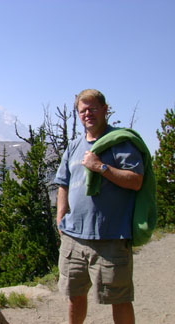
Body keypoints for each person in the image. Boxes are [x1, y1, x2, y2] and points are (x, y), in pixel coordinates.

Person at [54, 89, 145, 324]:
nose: (88, 114)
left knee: (120, 299)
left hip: (111, 236)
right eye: (83, 110)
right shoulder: (74, 146)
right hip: (74, 237)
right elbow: (63, 183)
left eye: (93, 108)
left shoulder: (122, 143)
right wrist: (60, 218)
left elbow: (135, 181)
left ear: (105, 110)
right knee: (74, 295)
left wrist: (101, 167)